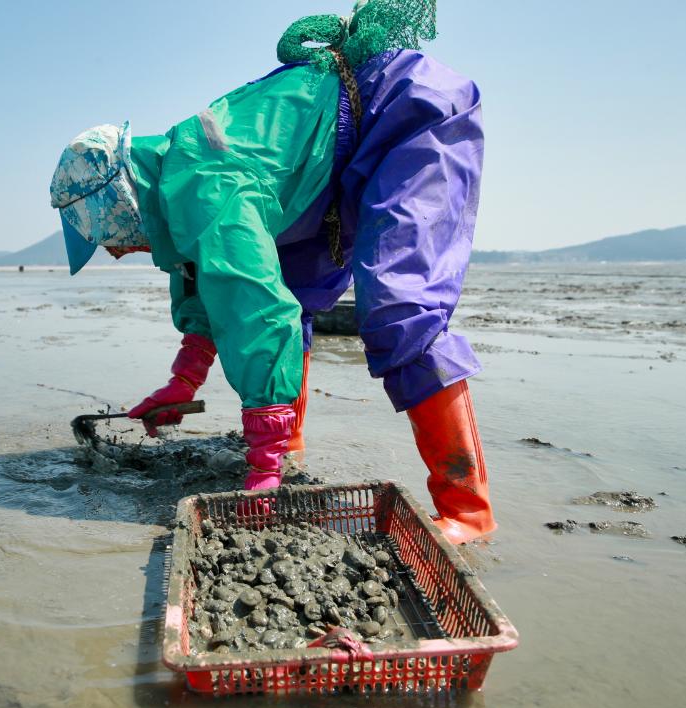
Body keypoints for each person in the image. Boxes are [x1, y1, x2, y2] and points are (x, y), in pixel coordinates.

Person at [49, 0, 495, 544]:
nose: (117, 254)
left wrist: (259, 469)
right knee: (296, 292)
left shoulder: (206, 186)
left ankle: (467, 510)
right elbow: (211, 287)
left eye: (107, 239)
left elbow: (255, 310)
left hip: (401, 112)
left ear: (119, 204)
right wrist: (182, 382)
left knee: (398, 305)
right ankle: (289, 445)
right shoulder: (174, 182)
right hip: (324, 169)